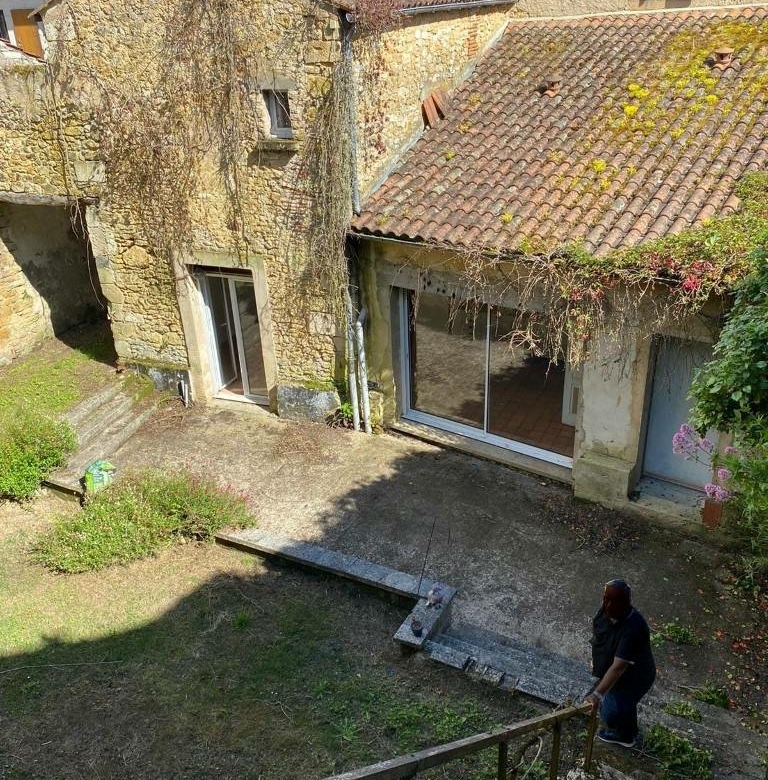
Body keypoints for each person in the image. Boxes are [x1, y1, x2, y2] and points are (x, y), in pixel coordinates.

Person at [584, 579, 656, 748]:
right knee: (624, 706)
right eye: (606, 599)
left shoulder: (633, 628)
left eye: (614, 601)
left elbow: (618, 667)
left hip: (635, 677)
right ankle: (628, 728)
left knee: (610, 713)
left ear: (626, 602)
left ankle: (624, 736)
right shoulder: (605, 612)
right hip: (619, 671)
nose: (608, 605)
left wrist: (597, 694)